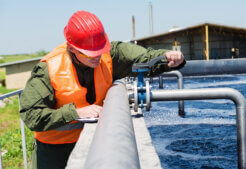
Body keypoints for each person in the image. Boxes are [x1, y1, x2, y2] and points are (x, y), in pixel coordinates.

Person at [20, 10, 185, 169]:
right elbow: (31, 115)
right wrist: (75, 113)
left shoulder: (110, 54)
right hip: (53, 153)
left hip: (95, 144)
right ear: (72, 49)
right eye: (90, 54)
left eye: (99, 51)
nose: (97, 57)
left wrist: (168, 57)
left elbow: (143, 59)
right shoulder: (48, 70)